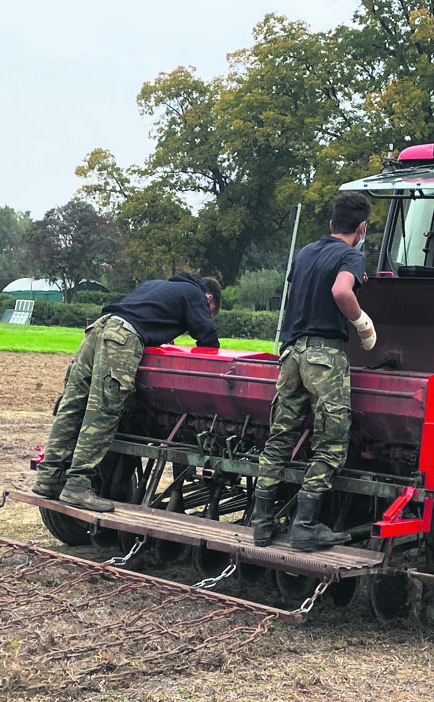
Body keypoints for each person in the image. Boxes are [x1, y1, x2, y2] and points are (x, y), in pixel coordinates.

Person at [33, 273, 222, 511]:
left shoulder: (156, 285)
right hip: (122, 339)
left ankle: (48, 478)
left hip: (98, 329)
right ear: (209, 298)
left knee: (73, 405)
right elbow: (206, 337)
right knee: (104, 410)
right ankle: (77, 485)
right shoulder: (195, 294)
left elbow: (145, 317)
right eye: (209, 310)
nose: (206, 313)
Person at [252, 192, 376, 552]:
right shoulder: (351, 255)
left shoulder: (305, 253)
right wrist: (363, 324)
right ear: (362, 228)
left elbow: (295, 295)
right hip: (324, 357)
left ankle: (262, 523)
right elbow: (341, 290)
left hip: (291, 354)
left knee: (280, 438)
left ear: (331, 223)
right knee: (331, 443)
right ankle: (305, 525)